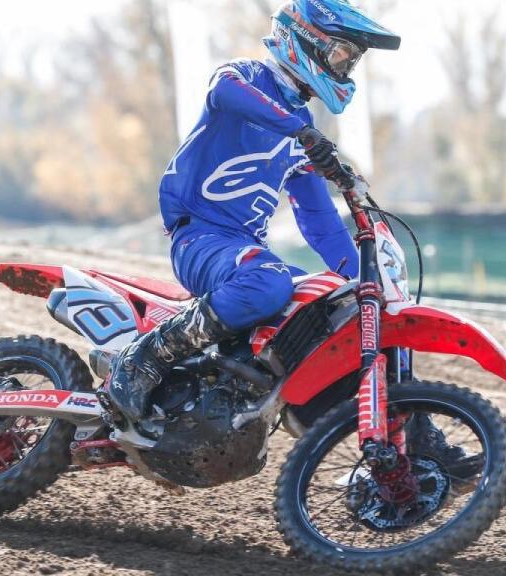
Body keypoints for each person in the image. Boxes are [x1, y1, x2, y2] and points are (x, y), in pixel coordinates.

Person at [108, 0, 468, 465]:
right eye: (342, 54)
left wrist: (365, 282)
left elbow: (317, 221)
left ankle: (413, 441)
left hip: (243, 247)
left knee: (343, 309)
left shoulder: (303, 131)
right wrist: (305, 135)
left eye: (352, 59)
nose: (346, 66)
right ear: (307, 40)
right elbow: (225, 93)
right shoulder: (245, 79)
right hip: (200, 238)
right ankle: (149, 355)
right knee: (269, 281)